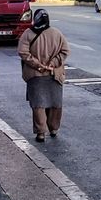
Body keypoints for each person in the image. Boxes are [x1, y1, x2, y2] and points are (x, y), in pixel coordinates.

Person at [18, 9, 70, 142]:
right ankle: (54, 128)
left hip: (35, 75)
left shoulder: (28, 34)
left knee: (38, 104)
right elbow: (65, 51)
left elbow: (23, 52)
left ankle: (41, 133)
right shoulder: (56, 33)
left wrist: (37, 65)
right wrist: (52, 64)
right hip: (54, 74)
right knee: (55, 103)